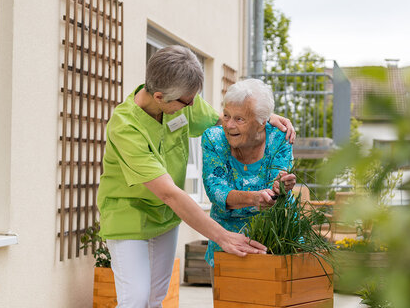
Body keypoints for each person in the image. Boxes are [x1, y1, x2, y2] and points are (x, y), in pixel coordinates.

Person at [97, 46, 295, 307]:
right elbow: (169, 193)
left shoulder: (180, 99)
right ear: (159, 96)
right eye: (186, 102)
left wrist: (262, 116)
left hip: (165, 218)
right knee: (135, 298)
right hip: (129, 215)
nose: (192, 106)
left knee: (155, 299)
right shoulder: (126, 128)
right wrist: (222, 235)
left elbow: (224, 122)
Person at [201, 78, 297, 272]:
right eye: (226, 115)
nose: (228, 125)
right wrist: (253, 198)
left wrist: (280, 187)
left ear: (262, 123)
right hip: (228, 242)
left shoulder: (279, 138)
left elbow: (275, 183)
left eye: (239, 119)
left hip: (275, 240)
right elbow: (216, 190)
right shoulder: (214, 139)